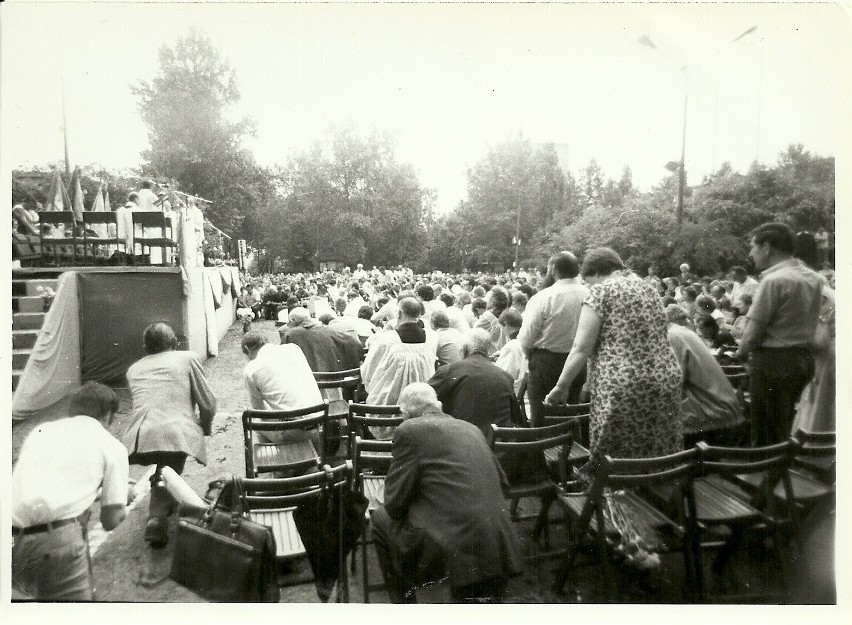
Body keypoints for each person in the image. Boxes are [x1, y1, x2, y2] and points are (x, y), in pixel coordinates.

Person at [545, 247, 682, 570]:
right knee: (652, 458)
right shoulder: (648, 288)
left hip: (624, 383)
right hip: (665, 379)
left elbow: (582, 346)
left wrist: (562, 386)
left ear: (593, 273)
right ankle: (651, 529)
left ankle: (629, 539)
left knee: (612, 462)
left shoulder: (602, 291)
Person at [371, 383, 523, 603]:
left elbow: (394, 503)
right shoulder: (472, 429)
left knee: (379, 518)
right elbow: (502, 482)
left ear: (404, 414)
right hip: (500, 545)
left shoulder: (409, 429)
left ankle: (405, 604)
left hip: (452, 552)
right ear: (439, 405)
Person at [12, 382, 129, 600]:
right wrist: (122, 497)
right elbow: (111, 520)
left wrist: (95, 492)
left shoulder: (41, 431)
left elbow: (54, 481)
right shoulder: (111, 445)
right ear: (107, 416)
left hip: (12, 538)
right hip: (57, 542)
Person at [123, 322, 217, 548]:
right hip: (174, 430)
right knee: (169, 466)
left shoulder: (134, 369)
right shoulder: (187, 358)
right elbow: (208, 403)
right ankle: (157, 518)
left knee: (165, 466)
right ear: (175, 343)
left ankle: (164, 505)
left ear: (145, 347)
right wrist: (204, 427)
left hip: (137, 436)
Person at [735, 222, 823, 446]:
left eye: (753, 247)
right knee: (782, 426)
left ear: (767, 247)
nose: (750, 253)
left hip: (774, 363)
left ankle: (763, 480)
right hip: (802, 360)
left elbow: (752, 334)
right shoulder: (812, 277)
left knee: (765, 435)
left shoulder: (774, 280)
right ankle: (777, 476)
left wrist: (741, 354)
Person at [517, 251, 588, 426]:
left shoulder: (544, 297)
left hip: (546, 363)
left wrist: (532, 356)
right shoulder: (589, 293)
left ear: (553, 269)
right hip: (578, 363)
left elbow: (525, 339)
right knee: (569, 419)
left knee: (541, 421)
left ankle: (539, 453)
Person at [666, 308, 743, 446]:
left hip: (711, 413)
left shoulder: (672, 335)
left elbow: (675, 382)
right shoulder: (680, 332)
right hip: (720, 408)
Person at [429, 328, 522, 439]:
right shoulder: (505, 376)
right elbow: (516, 417)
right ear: (487, 350)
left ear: (464, 349)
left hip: (463, 445)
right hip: (500, 449)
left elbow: (423, 400)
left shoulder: (449, 371)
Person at [361, 297, 436, 408]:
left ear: (399, 313)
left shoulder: (386, 339)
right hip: (422, 404)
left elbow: (368, 372)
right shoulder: (432, 337)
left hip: (389, 405)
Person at [494, 308, 528, 398]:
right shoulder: (525, 341)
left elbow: (501, 376)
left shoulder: (512, 345)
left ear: (505, 324)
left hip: (513, 393)